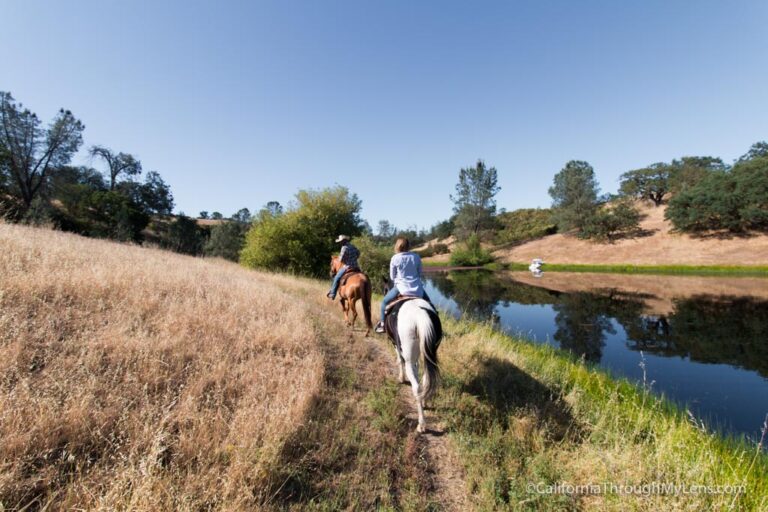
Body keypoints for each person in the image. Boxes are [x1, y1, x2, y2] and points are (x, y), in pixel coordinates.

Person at [374, 237, 431, 334]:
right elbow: (420, 273)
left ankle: (383, 325)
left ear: (397, 246)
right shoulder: (416, 256)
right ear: (408, 246)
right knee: (430, 304)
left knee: (384, 302)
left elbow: (392, 277)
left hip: (401, 288)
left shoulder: (395, 258)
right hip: (417, 288)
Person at [327, 235, 360, 300]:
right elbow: (358, 253)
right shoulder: (353, 246)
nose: (340, 243)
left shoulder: (344, 248)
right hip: (356, 267)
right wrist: (354, 259)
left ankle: (332, 293)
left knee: (336, 277)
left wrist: (345, 260)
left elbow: (341, 260)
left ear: (344, 241)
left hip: (347, 266)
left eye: (341, 241)